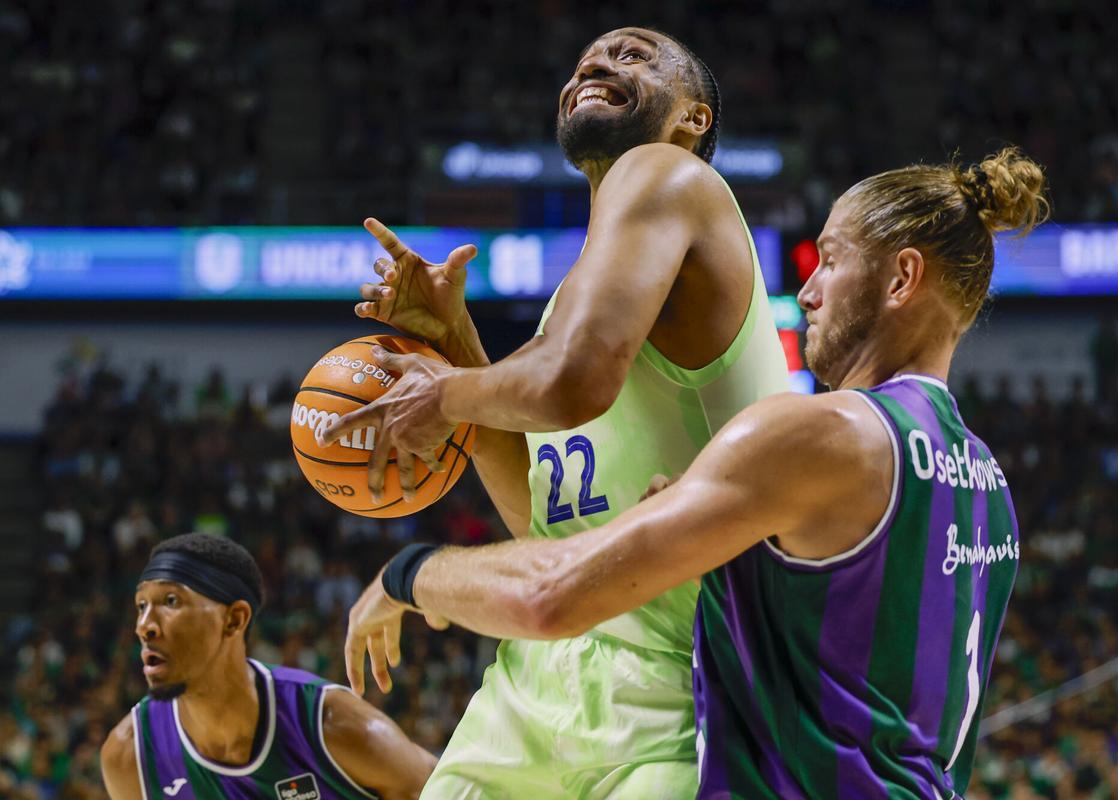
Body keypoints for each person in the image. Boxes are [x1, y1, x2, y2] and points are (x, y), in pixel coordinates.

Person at [343, 147, 1049, 798]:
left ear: (902, 277)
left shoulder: (823, 434)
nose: (807, 291)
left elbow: (549, 597)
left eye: (829, 260)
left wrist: (410, 573)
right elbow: (849, 637)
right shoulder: (986, 481)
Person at [321, 26, 789, 798]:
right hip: (540, 673)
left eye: (634, 56)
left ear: (693, 119)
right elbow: (544, 527)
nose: (596, 65)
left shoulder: (667, 173)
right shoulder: (571, 303)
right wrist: (456, 344)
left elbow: (575, 382)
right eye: (583, 63)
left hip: (682, 677)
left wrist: (442, 392)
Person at [100, 534, 435, 800]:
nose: (144, 625)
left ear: (234, 620)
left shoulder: (332, 726)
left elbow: (447, 790)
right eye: (141, 606)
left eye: (171, 601)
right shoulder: (130, 756)